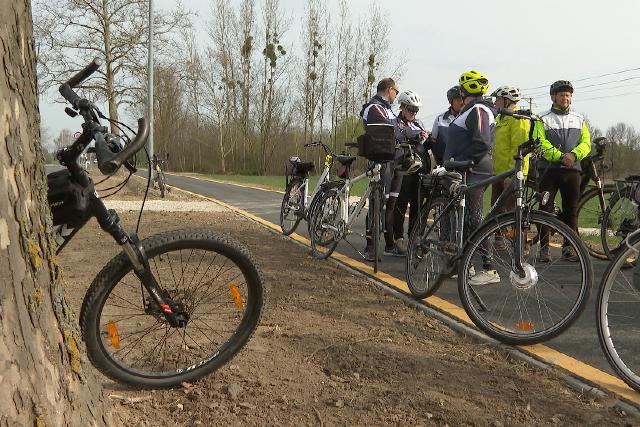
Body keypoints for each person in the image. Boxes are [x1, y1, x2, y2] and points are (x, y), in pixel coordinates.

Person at [443, 70, 498, 285]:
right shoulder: (472, 109)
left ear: (463, 90)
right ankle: (467, 264)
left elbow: (482, 141)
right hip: (467, 169)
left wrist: (465, 160)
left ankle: (490, 268)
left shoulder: (479, 109)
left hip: (473, 169)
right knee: (466, 220)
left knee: (474, 219)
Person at [538, 80, 591, 262]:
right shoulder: (542, 118)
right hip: (549, 170)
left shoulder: (579, 118)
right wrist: (561, 156)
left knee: (572, 211)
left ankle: (569, 248)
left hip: (572, 170)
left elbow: (586, 143)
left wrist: (574, 155)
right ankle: (543, 249)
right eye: (562, 95)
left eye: (568, 95)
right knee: (545, 210)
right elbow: (540, 142)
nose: (565, 98)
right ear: (553, 97)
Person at [360, 77, 406, 260]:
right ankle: (370, 247)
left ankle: (389, 244)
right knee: (376, 203)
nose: (396, 94)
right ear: (389, 89)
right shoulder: (373, 107)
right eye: (396, 90)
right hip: (380, 160)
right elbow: (394, 128)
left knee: (390, 204)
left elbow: (401, 128)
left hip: (395, 161)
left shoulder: (388, 109)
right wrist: (402, 130)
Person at [393, 90, 429, 246]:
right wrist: (417, 135)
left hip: (420, 169)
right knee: (401, 203)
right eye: (410, 109)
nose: (413, 113)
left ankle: (414, 236)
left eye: (416, 110)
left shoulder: (418, 123)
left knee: (417, 204)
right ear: (402, 107)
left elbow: (425, 143)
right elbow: (401, 134)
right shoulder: (395, 122)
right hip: (404, 168)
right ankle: (398, 237)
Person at [429, 86, 465, 166]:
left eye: (463, 99)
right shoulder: (440, 119)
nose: (462, 102)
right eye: (459, 99)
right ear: (450, 101)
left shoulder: (469, 117)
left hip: (464, 165)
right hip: (445, 166)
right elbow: (433, 143)